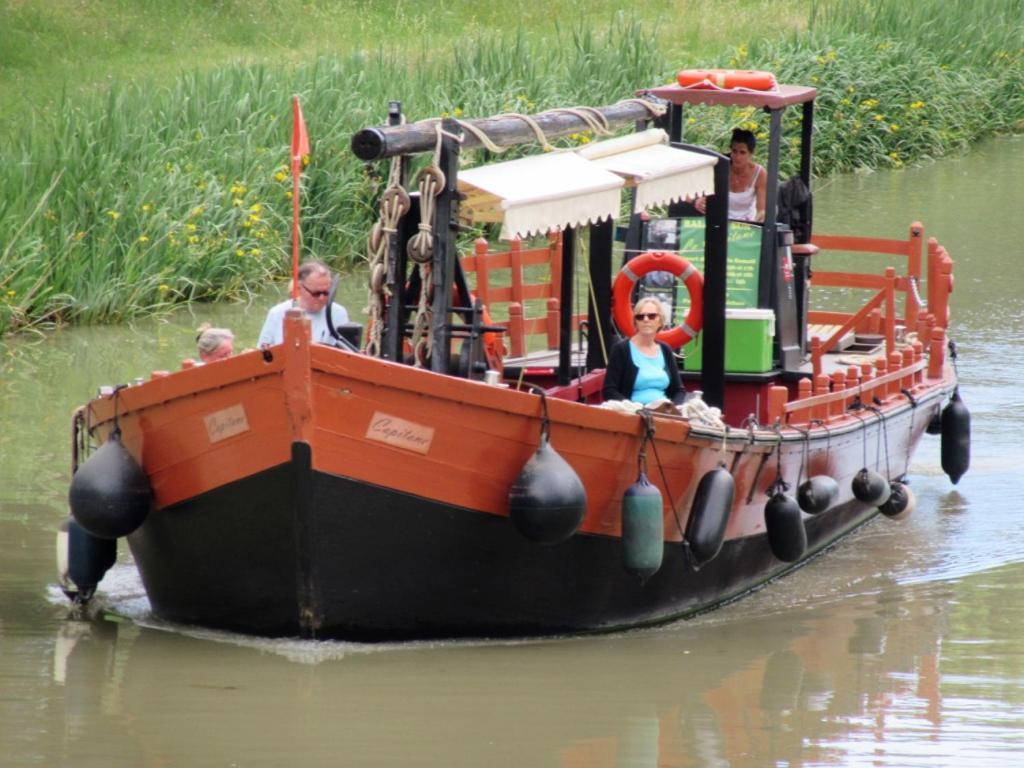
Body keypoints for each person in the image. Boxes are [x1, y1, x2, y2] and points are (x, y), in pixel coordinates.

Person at [602, 296, 684, 405]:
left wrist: (672, 408)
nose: (646, 320)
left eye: (652, 316)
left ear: (660, 321)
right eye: (640, 317)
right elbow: (609, 390)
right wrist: (632, 408)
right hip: (633, 414)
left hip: (663, 413)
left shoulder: (665, 350)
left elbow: (679, 390)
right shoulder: (621, 349)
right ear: (635, 322)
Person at [258, 259, 349, 347]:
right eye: (316, 293)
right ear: (299, 287)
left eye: (326, 293)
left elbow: (345, 355)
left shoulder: (338, 313)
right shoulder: (277, 313)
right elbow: (261, 353)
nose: (322, 298)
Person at [695, 128, 767, 223]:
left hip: (747, 225)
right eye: (734, 151)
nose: (737, 157)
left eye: (742, 152)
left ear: (751, 153)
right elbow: (702, 193)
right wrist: (699, 201)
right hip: (720, 222)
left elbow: (761, 211)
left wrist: (757, 225)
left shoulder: (760, 173)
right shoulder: (720, 167)